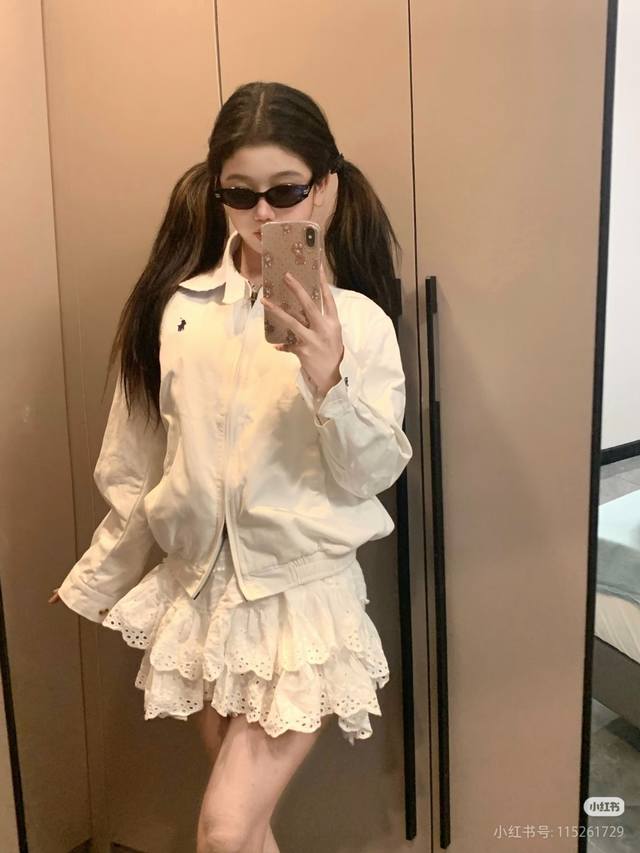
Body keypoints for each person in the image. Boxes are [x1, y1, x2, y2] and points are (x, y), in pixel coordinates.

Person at [48, 80, 413, 853]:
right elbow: (139, 462)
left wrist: (329, 379)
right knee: (244, 833)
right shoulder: (178, 311)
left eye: (287, 190)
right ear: (217, 192)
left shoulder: (360, 325)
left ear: (326, 188)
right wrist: (98, 577)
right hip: (203, 599)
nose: (264, 215)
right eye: (241, 194)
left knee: (221, 830)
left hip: (299, 602)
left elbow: (372, 471)